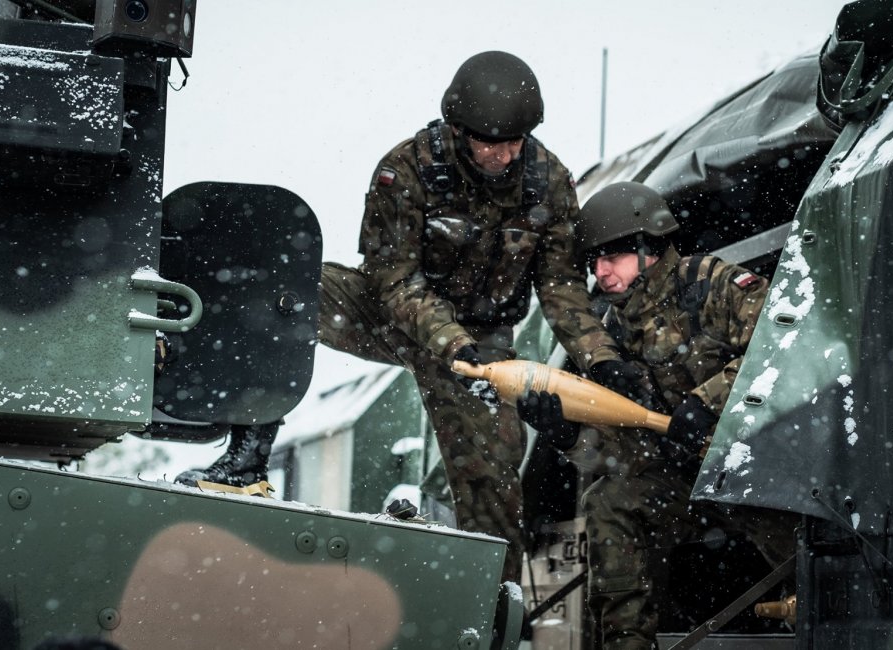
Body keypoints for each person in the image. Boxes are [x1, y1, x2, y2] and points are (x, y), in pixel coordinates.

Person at [311, 51, 643, 583]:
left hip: (483, 347)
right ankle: (247, 452)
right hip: (389, 313)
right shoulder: (406, 171)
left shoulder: (549, 182)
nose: (503, 154)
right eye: (490, 141)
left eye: (515, 142)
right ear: (458, 129)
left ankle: (492, 614)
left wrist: (601, 359)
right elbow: (393, 277)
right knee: (296, 287)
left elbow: (559, 288)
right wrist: (447, 339)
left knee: (493, 485)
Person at [516, 181, 798, 649]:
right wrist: (566, 435)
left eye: (613, 256)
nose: (601, 272)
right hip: (686, 482)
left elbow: (783, 343)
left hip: (759, 470)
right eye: (593, 262)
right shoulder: (612, 336)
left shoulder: (711, 284)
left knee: (817, 575)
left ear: (650, 246)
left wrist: (706, 402)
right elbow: (619, 450)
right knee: (607, 501)